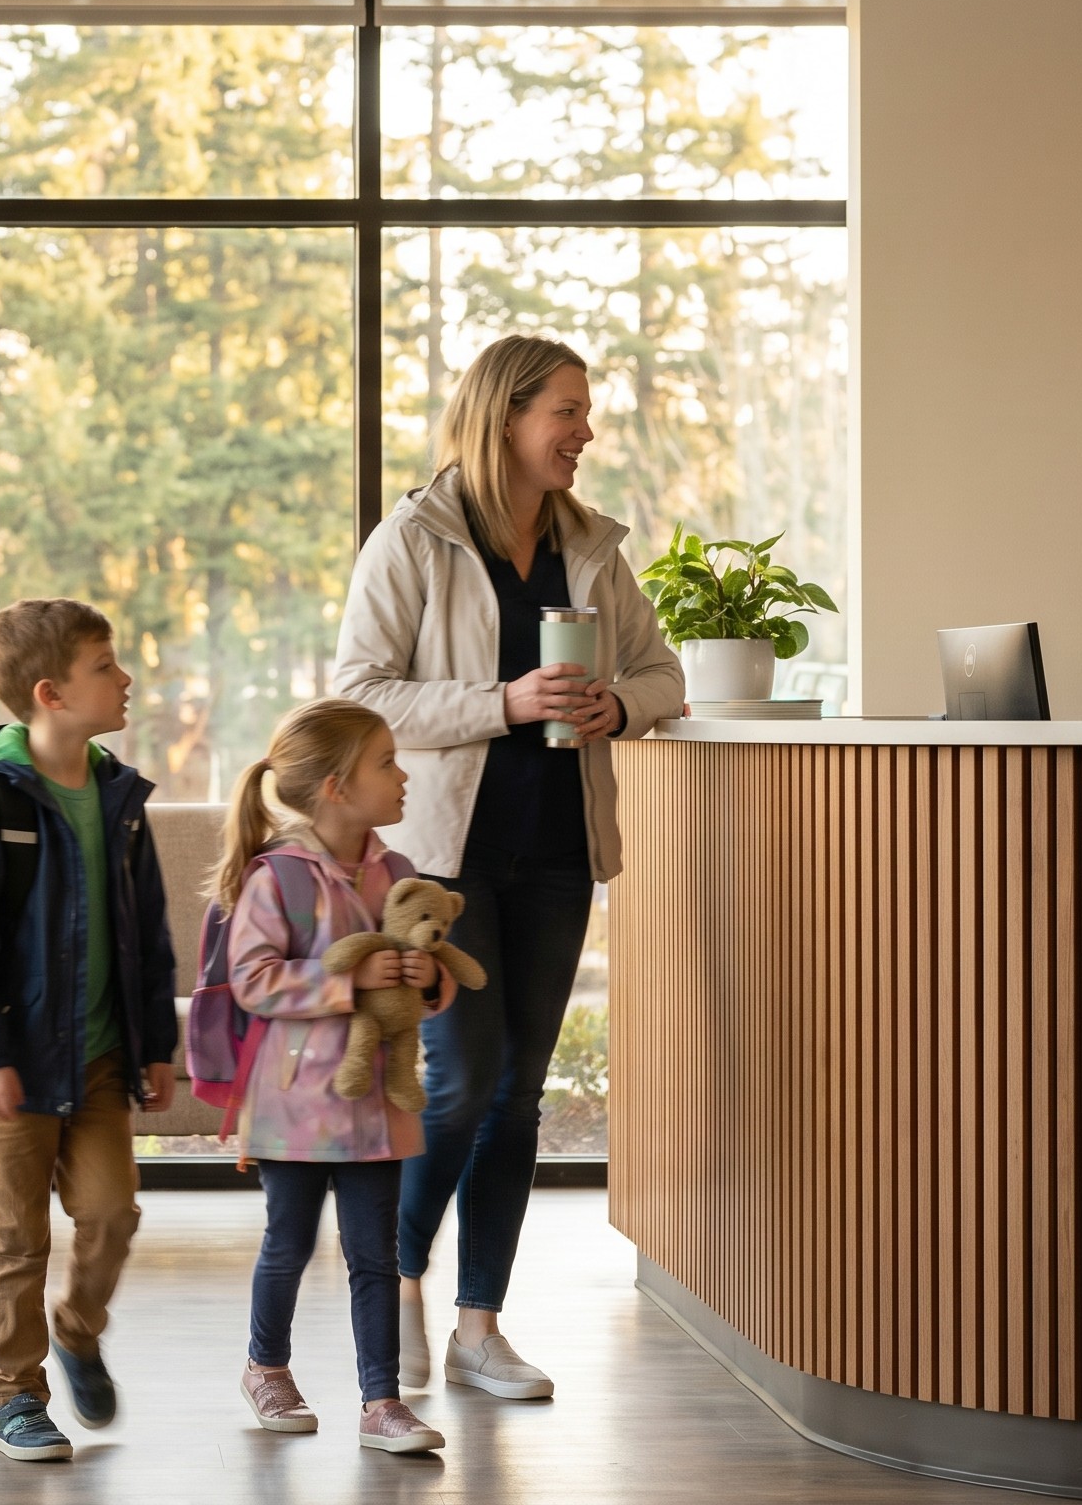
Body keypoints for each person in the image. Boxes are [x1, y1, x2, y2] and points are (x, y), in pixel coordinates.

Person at [333, 334, 684, 1400]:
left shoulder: (591, 547)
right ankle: (390, 1283)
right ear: (505, 419)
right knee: (464, 1081)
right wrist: (503, 704)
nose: (583, 434)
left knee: (519, 1096)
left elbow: (662, 672)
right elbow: (358, 692)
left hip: (558, 855)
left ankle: (477, 1327)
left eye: (583, 414)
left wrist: (616, 705)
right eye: (566, 413)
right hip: (443, 867)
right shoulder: (415, 538)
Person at [0, 597, 181, 1462]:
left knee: (111, 1214)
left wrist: (157, 1046)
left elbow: (147, 933)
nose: (125, 679)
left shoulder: (119, 797)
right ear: (51, 693)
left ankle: (78, 1330)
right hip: (11, 1065)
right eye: (106, 666)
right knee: (15, 1238)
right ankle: (15, 1398)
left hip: (104, 1057)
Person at [218, 698, 450, 1455]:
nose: (403, 773)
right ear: (337, 788)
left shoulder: (400, 873)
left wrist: (426, 977)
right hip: (294, 1106)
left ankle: (381, 1402)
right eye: (386, 761)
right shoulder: (277, 877)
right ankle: (267, 1368)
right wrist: (344, 982)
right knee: (287, 1243)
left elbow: (429, 980)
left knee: (375, 1253)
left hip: (378, 1104)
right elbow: (251, 980)